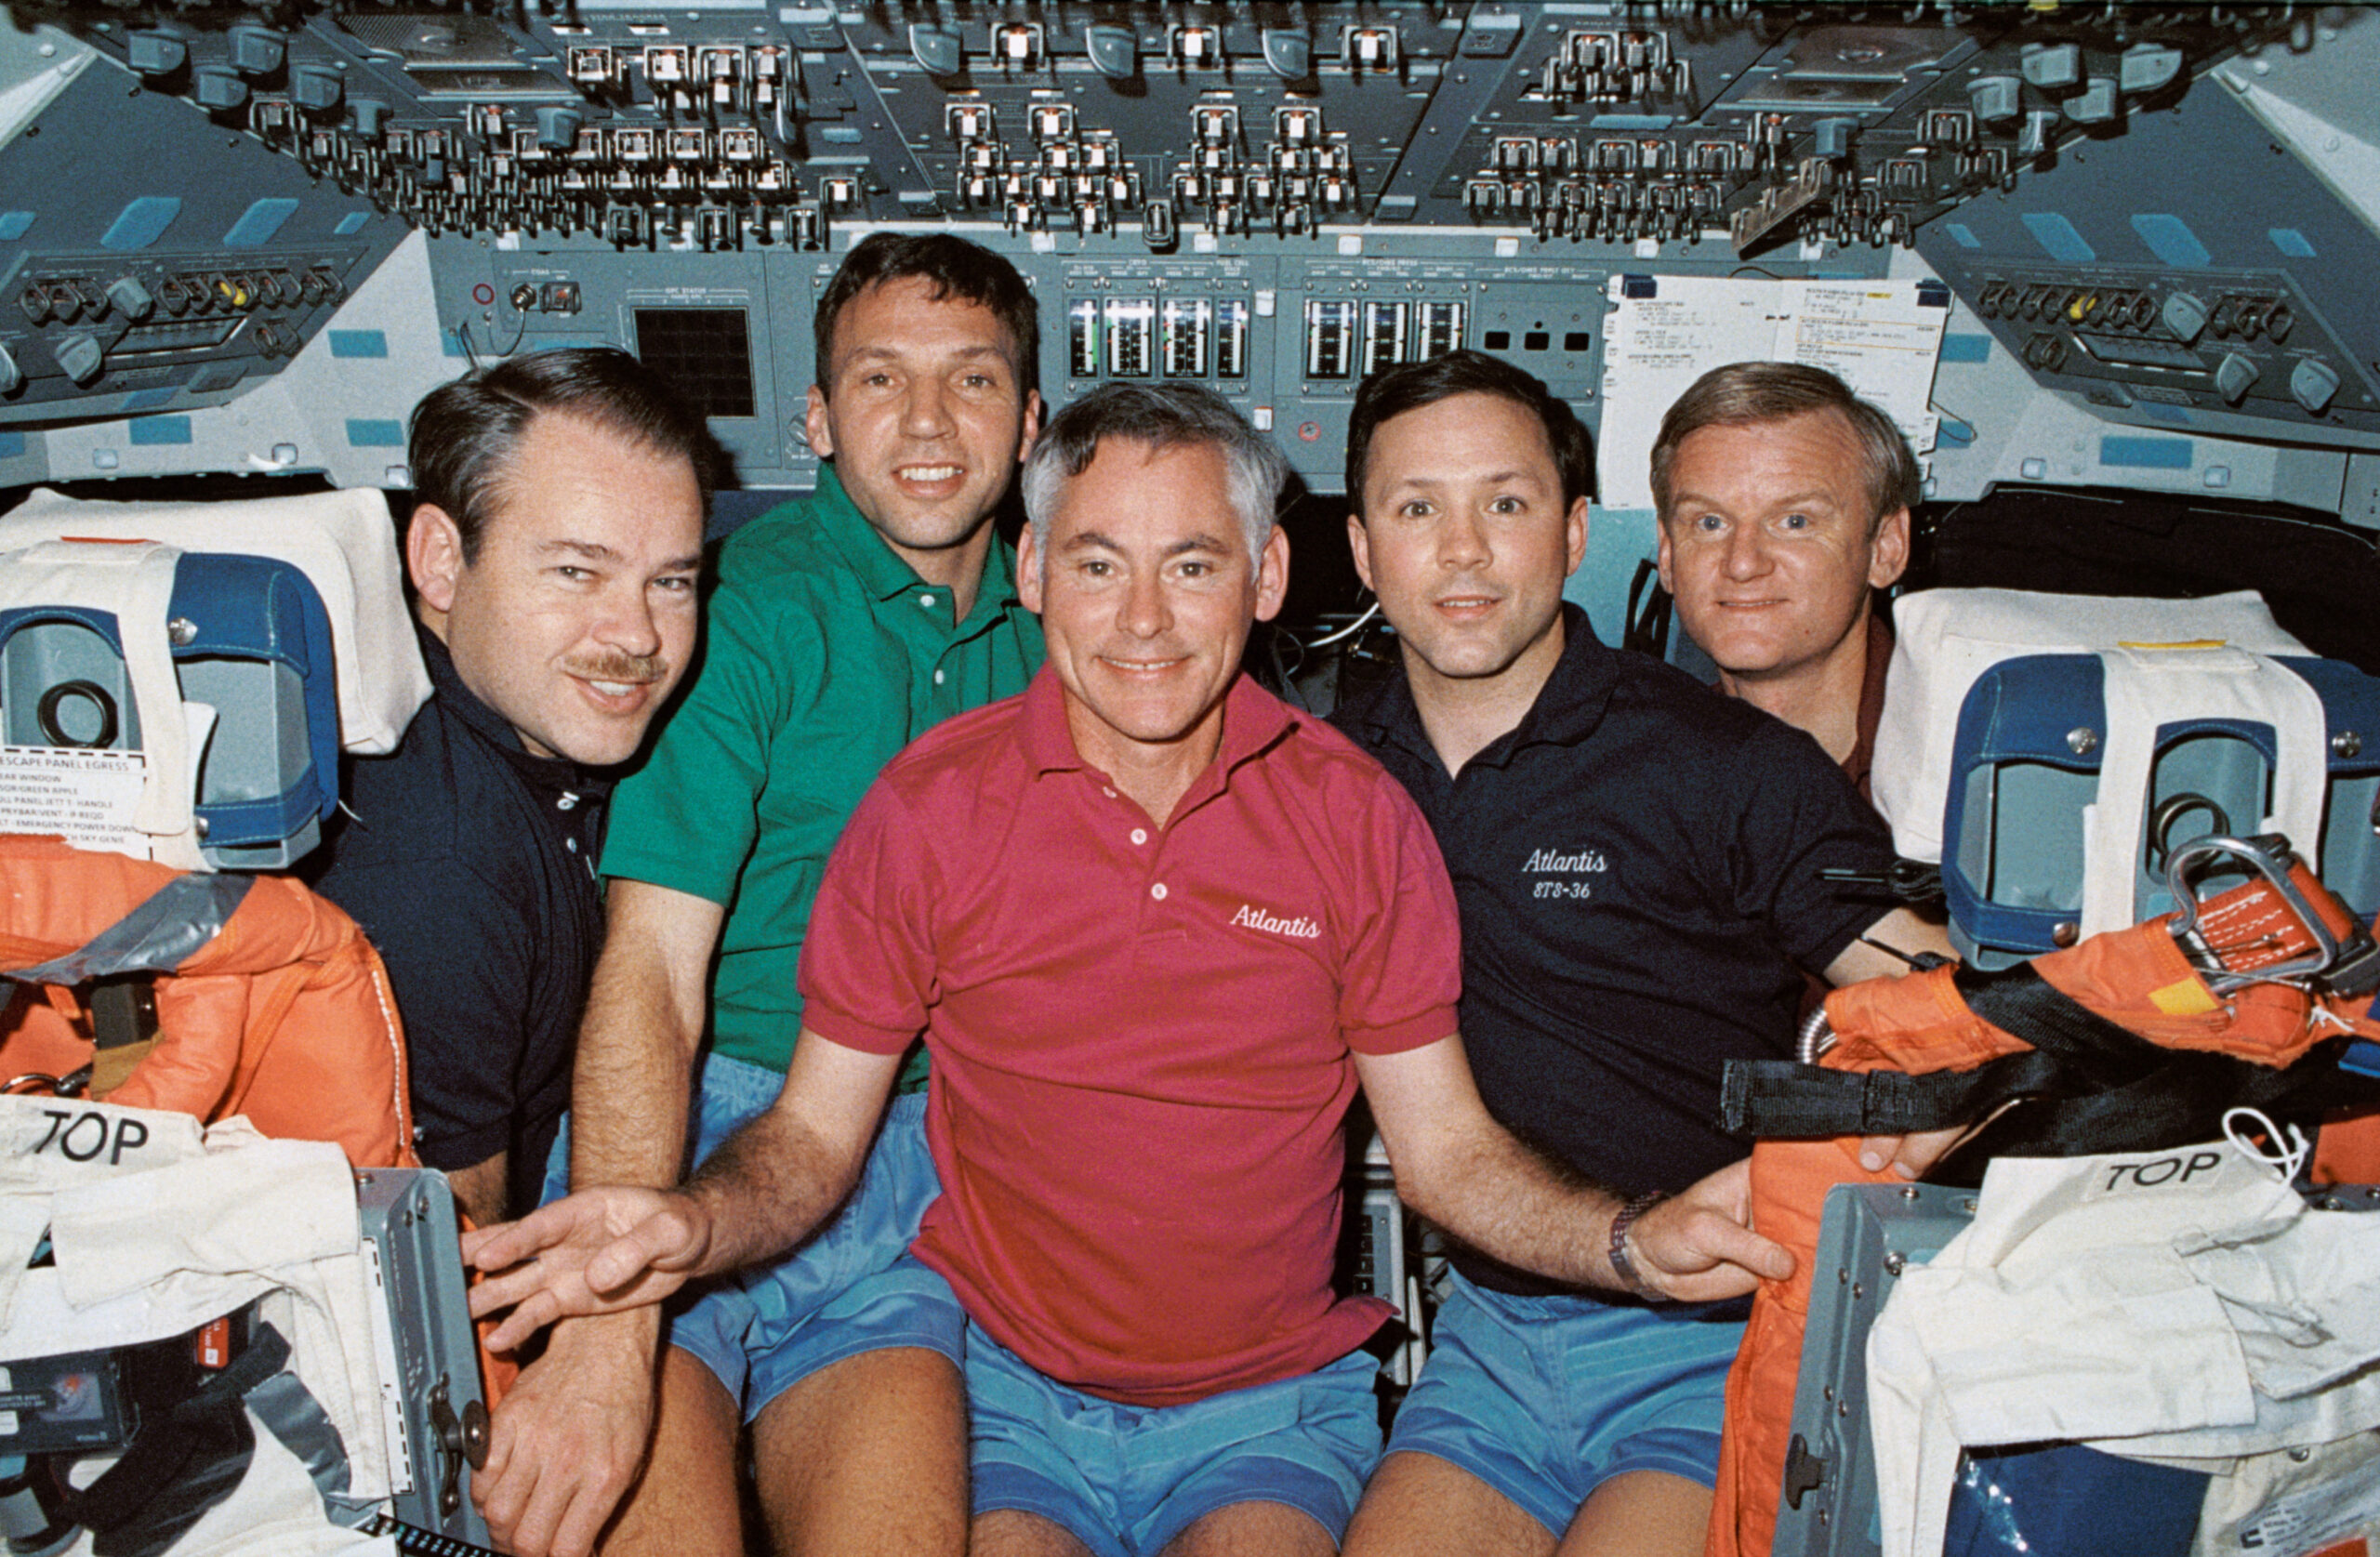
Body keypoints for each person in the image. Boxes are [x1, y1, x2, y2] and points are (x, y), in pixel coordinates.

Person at [464, 383, 1803, 1557]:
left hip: (1267, 1414)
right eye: (1099, 563)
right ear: (1033, 569)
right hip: (1009, 1394)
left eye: (1193, 564)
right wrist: (692, 1222)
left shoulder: (1356, 816)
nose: (1145, 620)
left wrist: (1630, 1241)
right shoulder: (927, 808)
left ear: (1267, 576)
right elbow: (815, 1136)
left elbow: (1448, 1155)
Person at [469, 232, 1047, 1557]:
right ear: (816, 418)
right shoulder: (745, 613)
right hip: (687, 1123)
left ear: (1028, 422)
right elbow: (652, 977)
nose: (926, 421)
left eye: (971, 379)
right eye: (879, 378)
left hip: (913, 1156)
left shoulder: (1057, 634)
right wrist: (610, 1329)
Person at [1329, 350, 1951, 1557]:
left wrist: (1931, 1086)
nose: (1463, 551)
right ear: (1362, 549)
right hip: (1492, 1339)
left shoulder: (1728, 766)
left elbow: (1929, 991)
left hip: (1718, 1335)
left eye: (1506, 503)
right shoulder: (1325, 776)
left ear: (1574, 534)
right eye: (1417, 508)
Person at [309, 347, 710, 1227]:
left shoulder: (521, 718)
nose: (638, 634)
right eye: (576, 571)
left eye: (671, 581)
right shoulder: (439, 870)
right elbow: (457, 1246)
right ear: (441, 561)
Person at [1651, 361, 1915, 799]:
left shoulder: (1967, 756)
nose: (1742, 564)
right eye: (1710, 523)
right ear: (1667, 555)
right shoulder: (1630, 774)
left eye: (1795, 521)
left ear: (1886, 548)